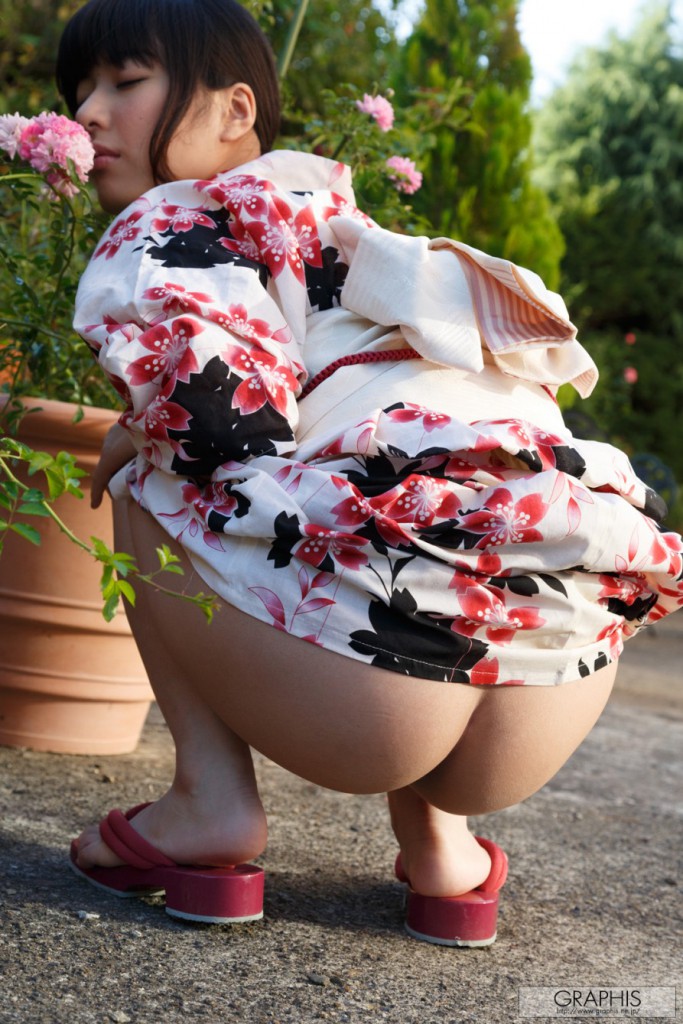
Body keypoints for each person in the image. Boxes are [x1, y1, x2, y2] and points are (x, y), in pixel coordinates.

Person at [59, 0, 683, 946]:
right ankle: (443, 847)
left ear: (235, 110)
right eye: (80, 92)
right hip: (554, 676)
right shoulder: (362, 244)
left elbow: (222, 424)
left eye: (124, 80)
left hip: (371, 701)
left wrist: (136, 426)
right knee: (405, 461)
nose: (87, 115)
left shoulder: (181, 219)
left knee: (149, 466)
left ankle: (208, 803)